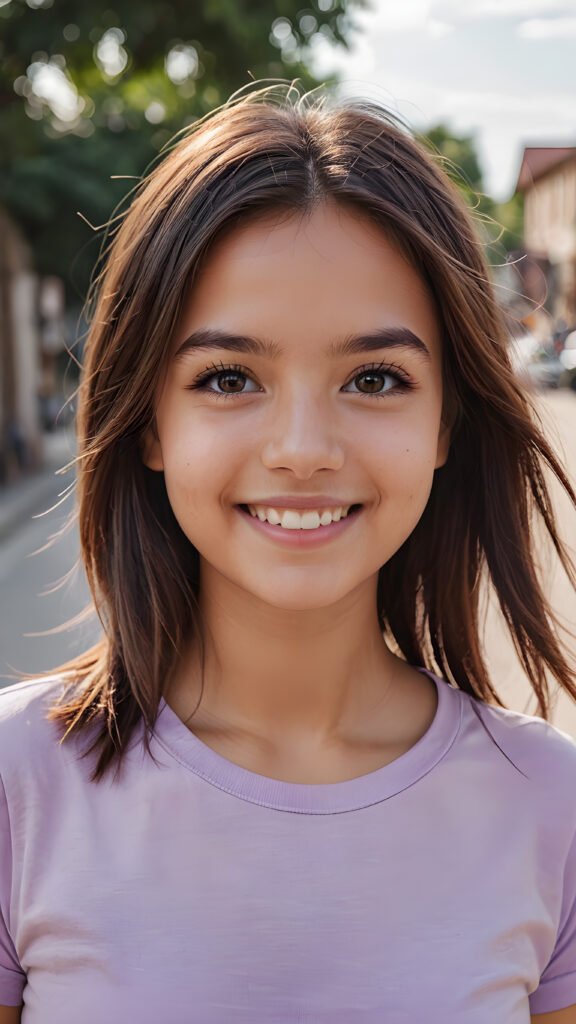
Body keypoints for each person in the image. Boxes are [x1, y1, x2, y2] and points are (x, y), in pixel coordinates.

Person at [1, 84, 575, 1024]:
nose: (303, 447)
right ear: (149, 421)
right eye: (228, 378)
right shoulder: (18, 788)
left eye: (376, 378)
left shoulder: (552, 809)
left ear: (446, 422)